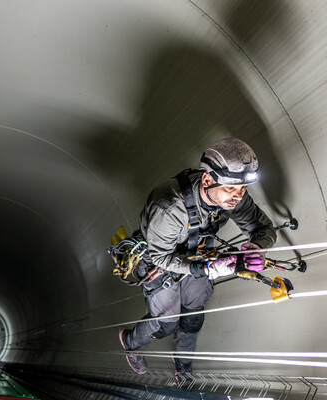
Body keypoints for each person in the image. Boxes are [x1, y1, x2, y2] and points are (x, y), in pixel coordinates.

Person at [117, 137, 276, 380]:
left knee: (193, 314)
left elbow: (264, 228)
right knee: (167, 322)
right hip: (158, 261)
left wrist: (256, 246)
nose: (237, 196)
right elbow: (161, 257)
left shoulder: (234, 198)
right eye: (230, 189)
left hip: (199, 255)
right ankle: (131, 342)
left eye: (242, 189)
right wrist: (207, 270)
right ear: (207, 180)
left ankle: (182, 364)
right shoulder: (169, 207)